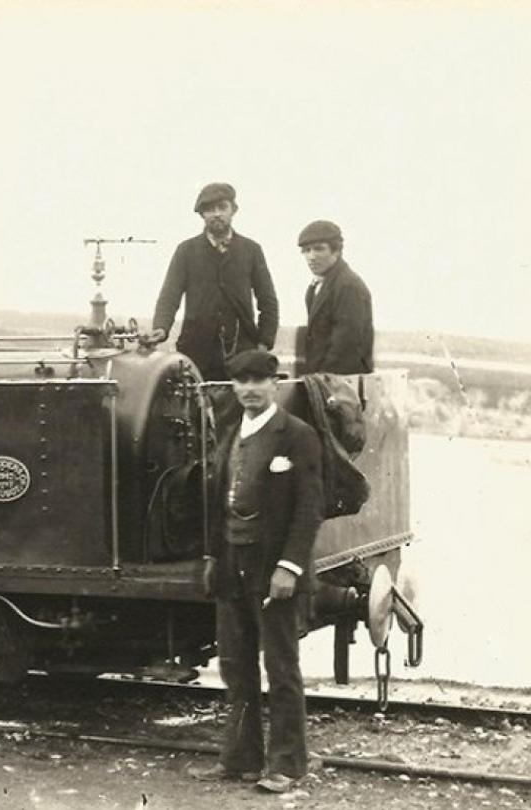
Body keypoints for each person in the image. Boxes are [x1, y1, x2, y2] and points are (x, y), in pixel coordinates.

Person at [191, 348, 323, 794]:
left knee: (281, 668)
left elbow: (309, 510)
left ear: (275, 383)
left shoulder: (297, 435)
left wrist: (289, 567)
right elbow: (217, 502)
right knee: (235, 666)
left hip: (273, 571)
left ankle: (288, 764)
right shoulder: (232, 430)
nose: (249, 389)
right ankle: (241, 760)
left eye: (258, 381)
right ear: (233, 387)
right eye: (241, 382)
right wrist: (212, 559)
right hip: (232, 566)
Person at [150, 182, 279, 381]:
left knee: (241, 408)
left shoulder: (251, 250)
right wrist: (161, 327)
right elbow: (170, 296)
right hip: (196, 352)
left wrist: (263, 343)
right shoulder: (186, 251)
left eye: (222, 207)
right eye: (209, 209)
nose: (216, 214)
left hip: (243, 353)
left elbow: (268, 301)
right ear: (202, 215)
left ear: (233, 210)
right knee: (195, 409)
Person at [299, 220, 374, 374]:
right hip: (325, 379)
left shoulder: (348, 286)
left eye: (319, 249)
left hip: (342, 382)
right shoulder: (316, 286)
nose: (311, 256)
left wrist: (323, 380)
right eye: (306, 250)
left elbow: (346, 345)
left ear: (336, 251)